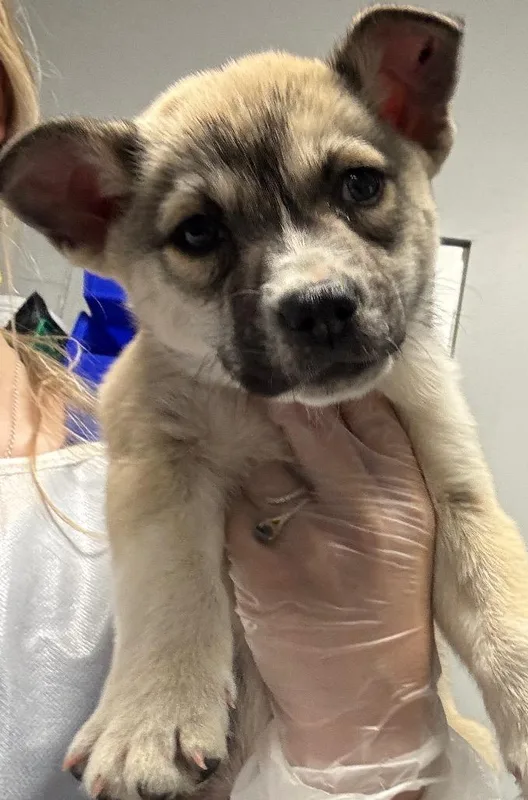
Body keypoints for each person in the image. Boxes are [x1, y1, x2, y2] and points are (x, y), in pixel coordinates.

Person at [0, 3, 500, 799]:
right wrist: (164, 663)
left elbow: (473, 524)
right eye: (201, 235)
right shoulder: (144, 403)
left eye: (358, 187)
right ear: (92, 220)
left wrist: (376, 729)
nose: (312, 285)